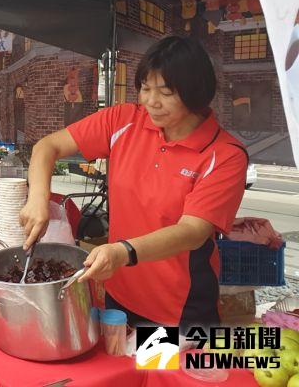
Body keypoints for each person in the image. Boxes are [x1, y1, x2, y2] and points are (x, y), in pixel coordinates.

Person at [20, 36, 247, 330]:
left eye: (166, 92)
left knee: (159, 371)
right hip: (118, 295)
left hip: (179, 311)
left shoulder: (225, 155)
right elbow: (47, 147)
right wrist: (38, 199)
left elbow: (192, 231)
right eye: (145, 88)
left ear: (196, 92)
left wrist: (122, 252)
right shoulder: (123, 120)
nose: (151, 101)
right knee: (120, 369)